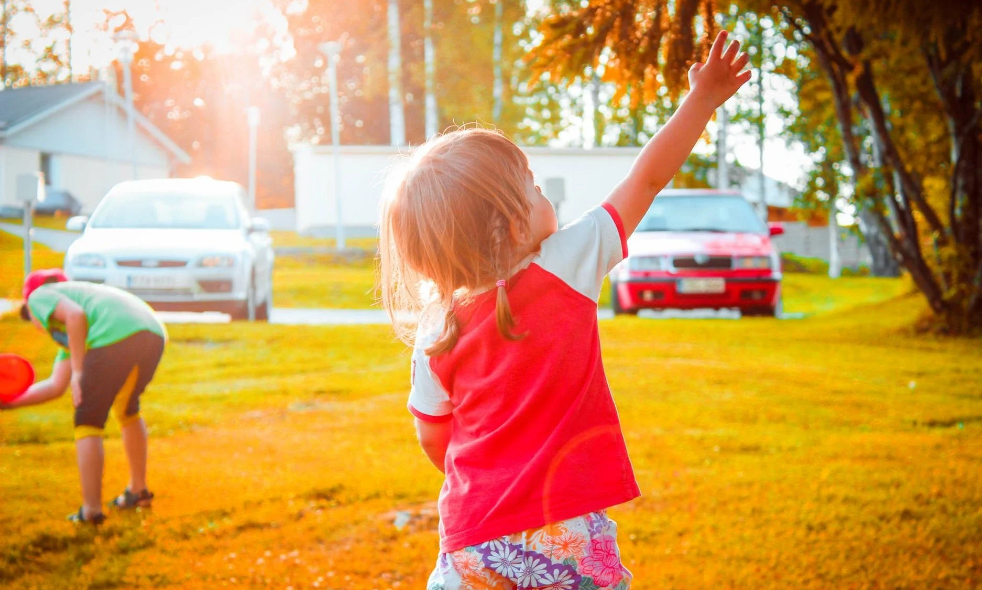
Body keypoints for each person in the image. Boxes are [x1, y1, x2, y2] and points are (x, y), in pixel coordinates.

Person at [378, 31, 750, 589]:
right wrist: (700, 100)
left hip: (472, 540)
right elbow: (646, 179)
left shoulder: (437, 331)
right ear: (510, 222)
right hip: (564, 529)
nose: (543, 193)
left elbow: (434, 437)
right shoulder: (565, 264)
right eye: (531, 186)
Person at [2, 270, 167, 525]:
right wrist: (7, 402)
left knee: (87, 419)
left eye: (28, 316)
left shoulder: (40, 296)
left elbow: (74, 315)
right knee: (127, 409)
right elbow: (56, 386)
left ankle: (90, 510)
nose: (35, 324)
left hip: (117, 333)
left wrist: (79, 373)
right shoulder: (79, 332)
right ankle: (138, 491)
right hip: (151, 331)